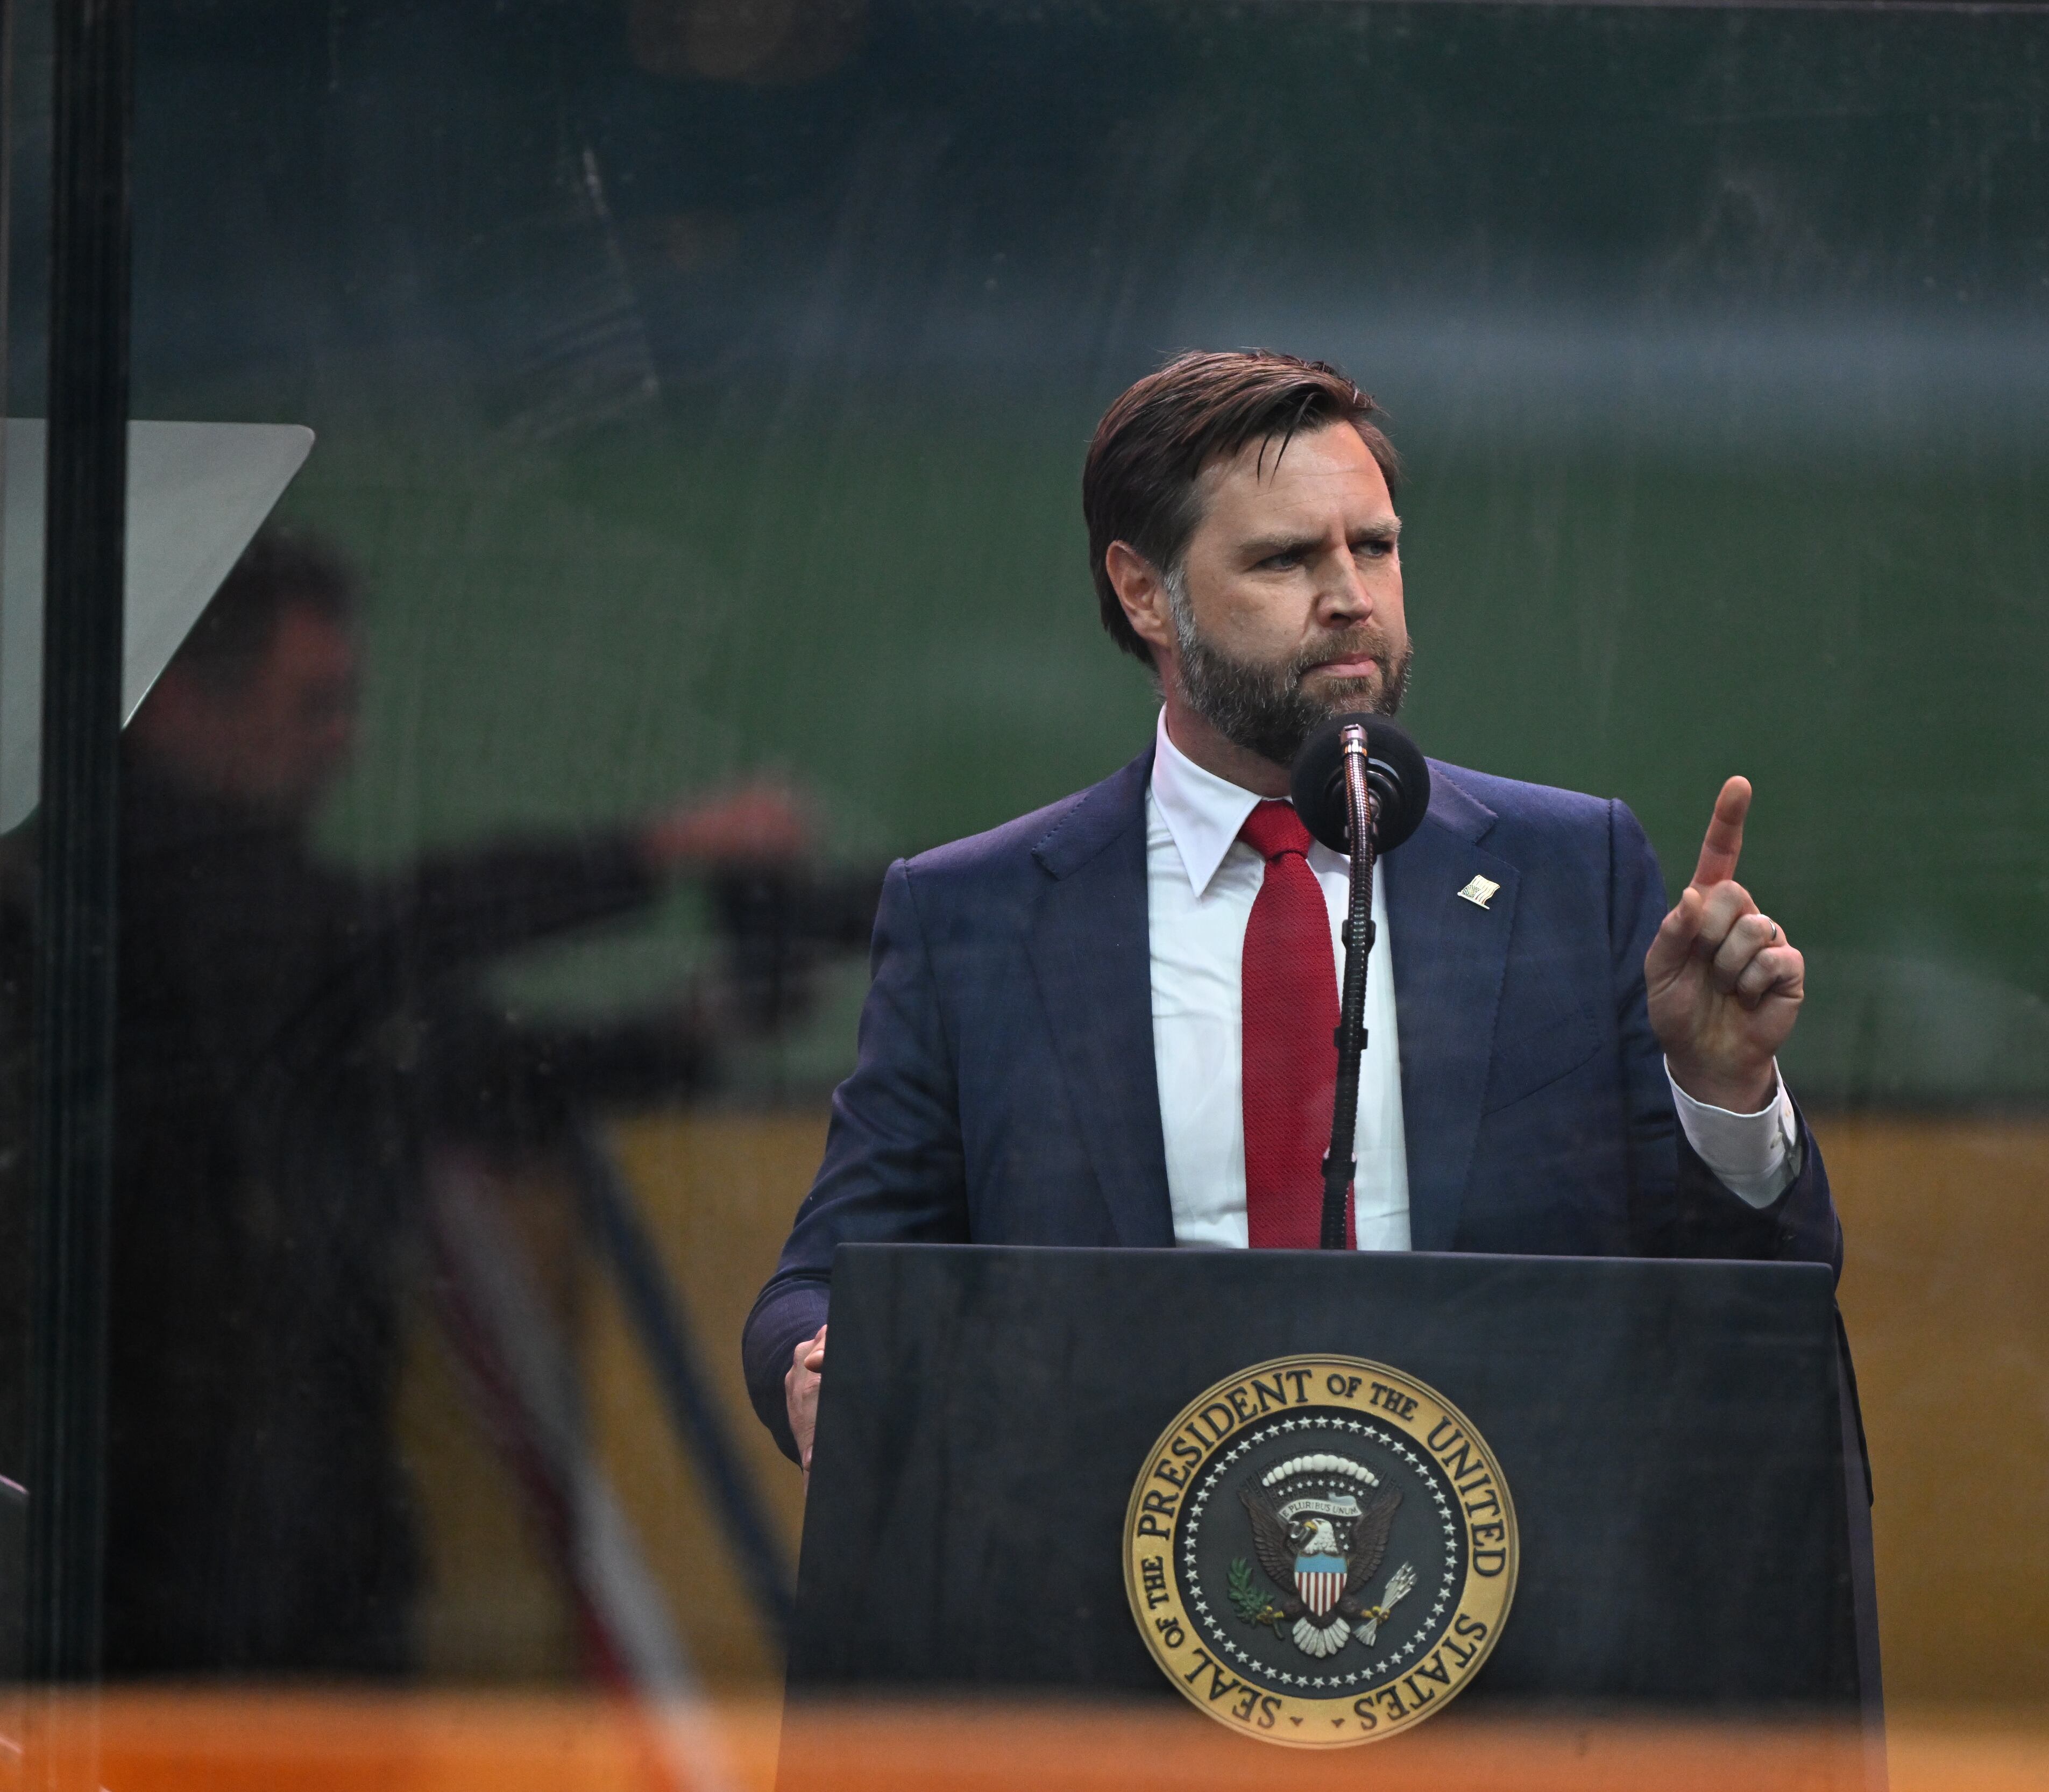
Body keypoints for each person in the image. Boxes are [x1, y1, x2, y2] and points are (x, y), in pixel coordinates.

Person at [744, 350, 1837, 1471]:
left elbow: (1741, 1302)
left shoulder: (1569, 874)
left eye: (1375, 545)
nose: (1351, 598)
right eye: (1284, 558)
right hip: (1111, 1586)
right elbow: (823, 1277)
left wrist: (1725, 1096)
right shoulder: (975, 915)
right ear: (1141, 591)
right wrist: (815, 1366)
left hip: (1514, 1585)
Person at [0, 528, 807, 1677]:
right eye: (317, 702)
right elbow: (376, 941)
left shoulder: (259, 961)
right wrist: (653, 851)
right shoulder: (110, 894)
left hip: (286, 1528)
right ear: (178, 697)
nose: (347, 742)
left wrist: (688, 1028)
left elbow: (450, 1066)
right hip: (160, 1550)